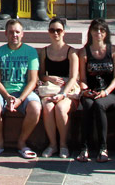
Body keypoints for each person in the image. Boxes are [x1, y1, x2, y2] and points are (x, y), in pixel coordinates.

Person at [0, 19, 42, 159]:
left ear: (22, 34)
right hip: (3, 92)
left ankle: (22, 142)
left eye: (17, 32)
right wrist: (7, 96)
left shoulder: (31, 52)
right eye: (11, 32)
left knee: (35, 107)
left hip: (24, 93)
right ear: (6, 34)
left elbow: (33, 80)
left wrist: (20, 99)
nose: (14, 35)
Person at [76, 18, 115, 163]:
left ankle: (103, 148)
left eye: (102, 30)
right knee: (88, 105)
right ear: (91, 32)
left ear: (106, 33)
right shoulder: (84, 52)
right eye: (96, 30)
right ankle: (84, 148)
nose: (99, 33)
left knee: (99, 105)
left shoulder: (113, 50)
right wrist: (85, 90)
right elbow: (82, 78)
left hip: (109, 92)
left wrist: (106, 92)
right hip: (91, 91)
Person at [37, 17, 79, 158]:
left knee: (61, 108)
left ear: (64, 32)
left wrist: (63, 93)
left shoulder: (72, 52)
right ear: (48, 32)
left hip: (68, 91)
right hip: (51, 89)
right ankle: (52, 144)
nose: (55, 33)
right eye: (52, 30)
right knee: (48, 108)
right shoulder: (44, 52)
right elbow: (41, 74)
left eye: (58, 30)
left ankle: (63, 145)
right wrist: (49, 78)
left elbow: (74, 77)